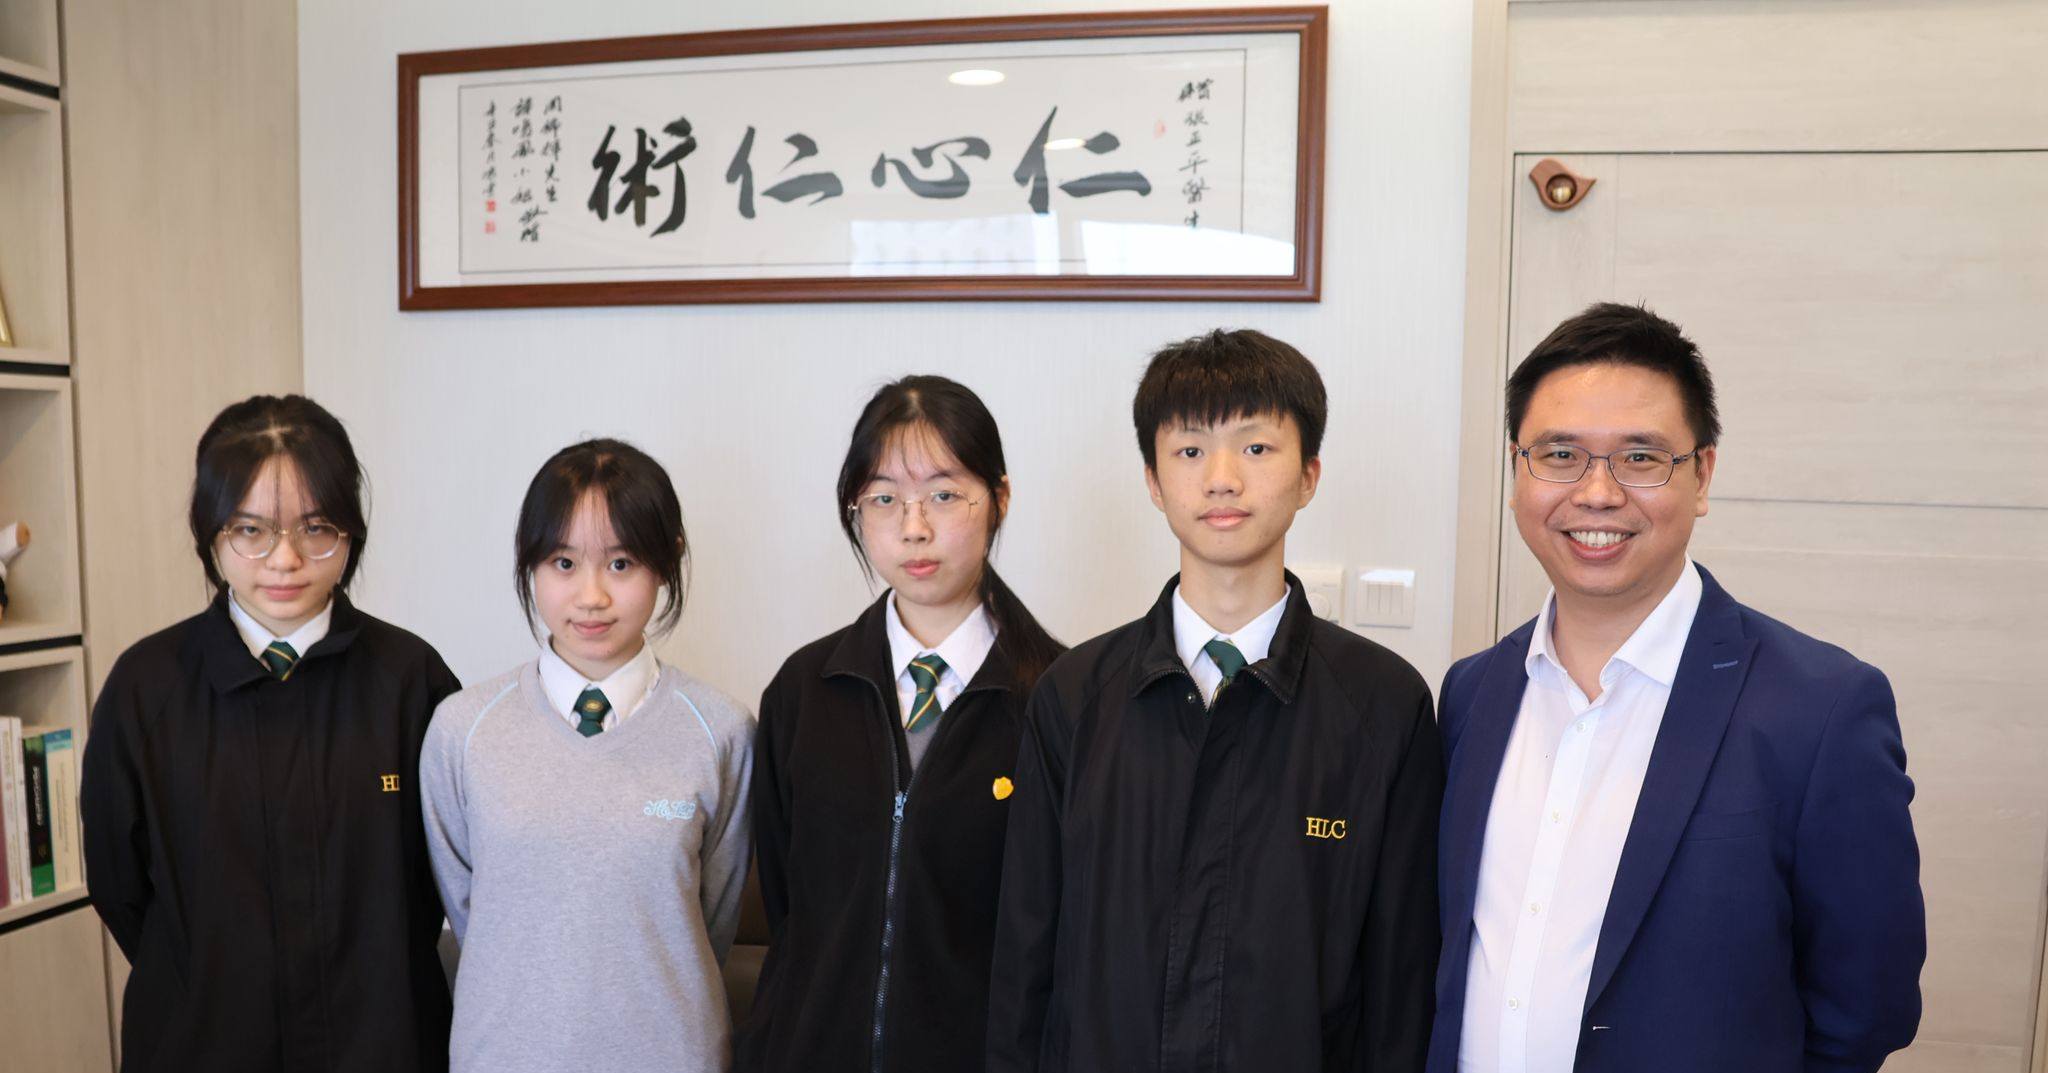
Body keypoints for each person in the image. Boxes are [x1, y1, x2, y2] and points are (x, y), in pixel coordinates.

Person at [1429, 302, 1924, 1073]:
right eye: (1560, 454)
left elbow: (1866, 1007)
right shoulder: (1472, 692)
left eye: (1640, 456)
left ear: (1702, 475)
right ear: (1517, 471)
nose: (1597, 493)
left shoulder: (1821, 710)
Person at [988, 329, 1443, 1073]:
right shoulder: (1073, 695)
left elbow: (1401, 985)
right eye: (1190, 450)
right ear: (1153, 480)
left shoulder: (1384, 705)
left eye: (1256, 448)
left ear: (1309, 474)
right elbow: (1025, 962)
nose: (1222, 479)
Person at [81, 394, 460, 1073]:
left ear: (351, 531)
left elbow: (446, 879)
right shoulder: (146, 687)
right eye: (251, 530)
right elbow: (119, 884)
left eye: (316, 528)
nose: (285, 559)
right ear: (211, 533)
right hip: (201, 1043)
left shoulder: (412, 680)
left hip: (383, 1042)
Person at [737, 375, 1065, 1073]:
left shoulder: (1060, 699)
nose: (914, 528)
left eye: (944, 495)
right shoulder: (804, 690)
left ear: (999, 499)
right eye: (884, 498)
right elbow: (791, 909)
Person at [419, 438, 753, 1073]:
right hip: (504, 1057)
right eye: (564, 563)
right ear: (530, 565)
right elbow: (471, 916)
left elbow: (711, 919)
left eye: (621, 563)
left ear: (667, 561)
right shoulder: (462, 730)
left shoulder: (722, 731)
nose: (591, 595)